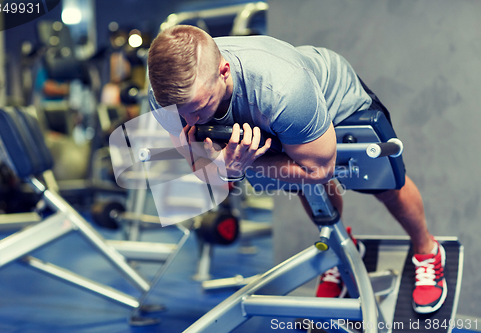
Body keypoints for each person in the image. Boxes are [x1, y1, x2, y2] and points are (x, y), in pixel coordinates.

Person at [147, 25, 446, 314]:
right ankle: (344, 255)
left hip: (333, 103)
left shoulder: (283, 87)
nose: (193, 120)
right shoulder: (166, 95)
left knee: (385, 185)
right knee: (305, 188)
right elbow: (197, 170)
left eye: (200, 107)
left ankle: (427, 249)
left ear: (224, 71)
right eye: (184, 113)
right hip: (272, 118)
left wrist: (232, 165)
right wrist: (224, 167)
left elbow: (320, 170)